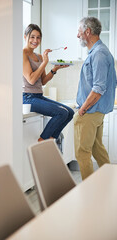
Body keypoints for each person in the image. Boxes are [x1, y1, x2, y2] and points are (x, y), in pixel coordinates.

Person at [74, 17, 117, 180]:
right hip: (97, 113)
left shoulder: (98, 54)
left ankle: (88, 194)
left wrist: (82, 109)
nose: (78, 36)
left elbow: (98, 89)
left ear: (87, 32)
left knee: (82, 153)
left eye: (79, 32)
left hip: (90, 113)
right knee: (97, 149)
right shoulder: (102, 51)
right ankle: (111, 183)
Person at [23, 24, 74, 142]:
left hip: (38, 96)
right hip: (27, 98)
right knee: (61, 113)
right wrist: (45, 62)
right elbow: (31, 79)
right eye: (32, 37)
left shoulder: (39, 56)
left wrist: (55, 69)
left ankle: (51, 139)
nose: (35, 40)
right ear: (25, 37)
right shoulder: (23, 54)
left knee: (70, 112)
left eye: (38, 37)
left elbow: (43, 81)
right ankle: (43, 140)